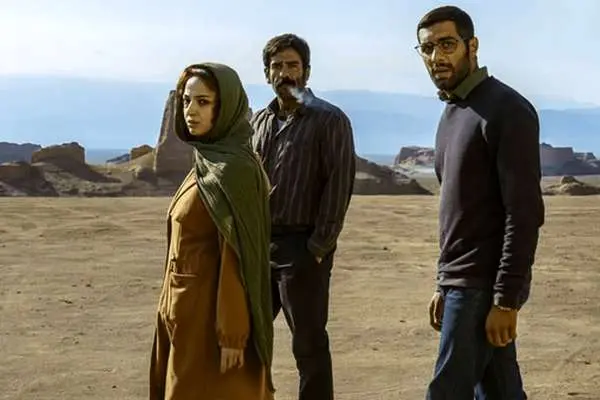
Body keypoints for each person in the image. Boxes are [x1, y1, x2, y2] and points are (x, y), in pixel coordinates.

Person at [414, 6, 545, 400]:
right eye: (427, 48)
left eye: (447, 45)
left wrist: (506, 298)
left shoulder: (507, 110)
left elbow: (523, 214)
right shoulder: (452, 113)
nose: (436, 57)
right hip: (460, 282)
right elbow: (459, 215)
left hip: (482, 287)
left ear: (472, 46)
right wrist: (444, 281)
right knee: (499, 392)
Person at [148, 62, 275, 400]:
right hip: (185, 314)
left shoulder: (235, 170)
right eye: (186, 101)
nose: (191, 111)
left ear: (225, 108)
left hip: (210, 324)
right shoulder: (207, 161)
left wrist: (232, 331)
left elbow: (238, 256)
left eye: (203, 102)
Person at [250, 33, 356, 400]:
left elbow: (339, 185)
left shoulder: (329, 119)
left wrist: (318, 247)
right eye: (277, 66)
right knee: (247, 337)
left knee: (308, 346)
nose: (285, 73)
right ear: (267, 73)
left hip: (303, 249)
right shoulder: (259, 121)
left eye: (292, 65)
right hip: (260, 247)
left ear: (306, 72)